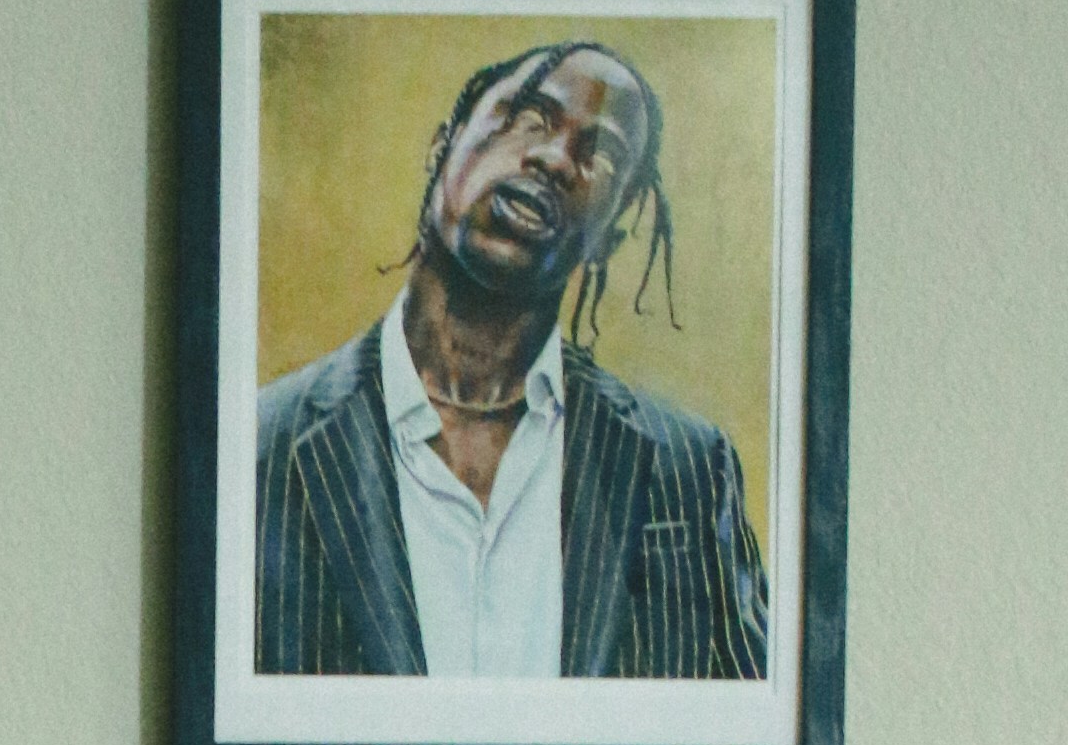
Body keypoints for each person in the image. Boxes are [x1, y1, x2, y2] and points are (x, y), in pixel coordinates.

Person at [255, 39, 767, 684]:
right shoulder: (256, 449)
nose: (555, 158)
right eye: (529, 118)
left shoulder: (688, 469)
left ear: (609, 237)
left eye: (601, 155)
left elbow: (759, 723)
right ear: (442, 147)